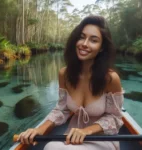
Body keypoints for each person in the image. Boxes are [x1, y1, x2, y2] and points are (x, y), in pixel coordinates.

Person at [18, 15, 124, 150]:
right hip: (72, 136)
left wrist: (87, 131)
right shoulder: (65, 74)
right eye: (81, 37)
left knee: (51, 148)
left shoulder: (110, 78)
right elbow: (62, 110)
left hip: (102, 138)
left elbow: (115, 118)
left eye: (93, 40)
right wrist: (40, 129)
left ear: (102, 48)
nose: (84, 44)